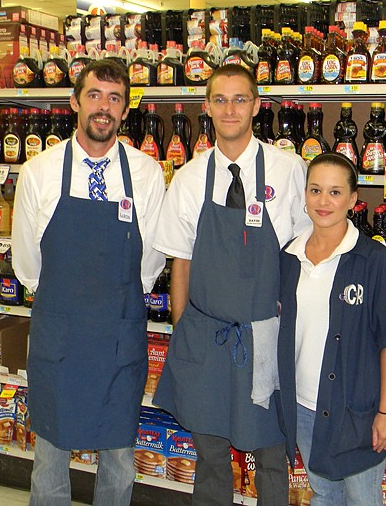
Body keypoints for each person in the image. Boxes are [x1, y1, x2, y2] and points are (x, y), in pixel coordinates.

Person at [152, 64, 309, 505]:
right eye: (220, 100)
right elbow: (179, 262)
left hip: (265, 339)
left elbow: (299, 255)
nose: (230, 109)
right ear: (206, 108)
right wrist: (186, 333)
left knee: (272, 455)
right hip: (207, 339)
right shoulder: (188, 179)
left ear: (257, 106)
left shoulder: (289, 170)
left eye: (240, 99)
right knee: (211, 455)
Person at [12, 59, 165, 506]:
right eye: (95, 95)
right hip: (60, 335)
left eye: (115, 98)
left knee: (119, 458)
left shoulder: (146, 174)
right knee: (50, 455)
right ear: (75, 101)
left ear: (125, 110)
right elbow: (27, 262)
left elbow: (151, 259)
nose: (104, 107)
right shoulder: (39, 172)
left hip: (119, 336)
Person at [277, 152, 386, 506]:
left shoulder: (375, 260)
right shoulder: (288, 258)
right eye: (315, 190)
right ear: (304, 195)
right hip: (304, 405)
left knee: (362, 499)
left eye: (335, 193)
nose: (324, 201)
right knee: (324, 493)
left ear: (353, 200)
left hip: (357, 410)